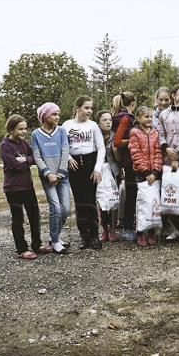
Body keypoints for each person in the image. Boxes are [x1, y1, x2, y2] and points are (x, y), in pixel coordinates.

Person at [0, 115, 50, 259]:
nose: (23, 132)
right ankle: (22, 249)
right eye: (20, 129)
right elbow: (13, 165)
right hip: (13, 188)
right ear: (11, 129)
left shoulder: (23, 144)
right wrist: (26, 162)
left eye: (25, 129)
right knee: (18, 219)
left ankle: (37, 244)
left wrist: (26, 159)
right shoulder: (5, 145)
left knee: (34, 216)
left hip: (27, 186)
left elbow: (35, 156)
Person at [63, 95, 105, 250]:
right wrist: (67, 158)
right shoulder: (66, 125)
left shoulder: (93, 126)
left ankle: (94, 235)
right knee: (80, 202)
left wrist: (97, 169)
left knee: (90, 201)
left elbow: (101, 148)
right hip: (75, 166)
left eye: (91, 108)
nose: (89, 111)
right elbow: (63, 145)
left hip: (90, 164)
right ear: (77, 108)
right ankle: (84, 236)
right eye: (86, 108)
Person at [156, 85, 179, 241]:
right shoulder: (163, 114)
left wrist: (177, 155)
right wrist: (166, 149)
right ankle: (173, 228)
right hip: (167, 157)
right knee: (171, 192)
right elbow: (160, 133)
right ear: (173, 95)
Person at [32, 103, 71, 254]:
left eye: (58, 114)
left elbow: (65, 151)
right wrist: (48, 173)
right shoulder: (36, 134)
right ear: (45, 116)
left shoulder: (61, 131)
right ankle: (55, 241)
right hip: (47, 177)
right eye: (54, 114)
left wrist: (60, 173)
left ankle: (54, 235)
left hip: (62, 176)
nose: (57, 117)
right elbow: (37, 156)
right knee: (55, 208)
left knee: (66, 209)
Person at [128, 106, 163, 247]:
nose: (149, 119)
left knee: (154, 202)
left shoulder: (155, 132)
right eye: (145, 117)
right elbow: (135, 153)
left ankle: (152, 230)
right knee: (143, 203)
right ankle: (141, 231)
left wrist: (155, 171)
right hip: (141, 175)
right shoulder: (134, 133)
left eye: (151, 117)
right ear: (138, 118)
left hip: (154, 175)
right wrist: (146, 172)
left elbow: (158, 152)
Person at [111, 92, 137, 240]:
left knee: (132, 192)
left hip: (130, 159)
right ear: (132, 103)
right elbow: (117, 141)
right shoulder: (126, 118)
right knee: (132, 193)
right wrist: (134, 139)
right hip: (130, 160)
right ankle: (128, 225)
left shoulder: (120, 117)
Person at [96, 110, 120, 242]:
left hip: (113, 173)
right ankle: (104, 229)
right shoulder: (95, 136)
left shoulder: (115, 136)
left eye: (110, 120)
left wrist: (115, 150)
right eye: (104, 120)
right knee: (102, 202)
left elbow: (119, 158)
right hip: (99, 173)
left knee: (113, 202)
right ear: (98, 123)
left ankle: (112, 230)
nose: (108, 122)